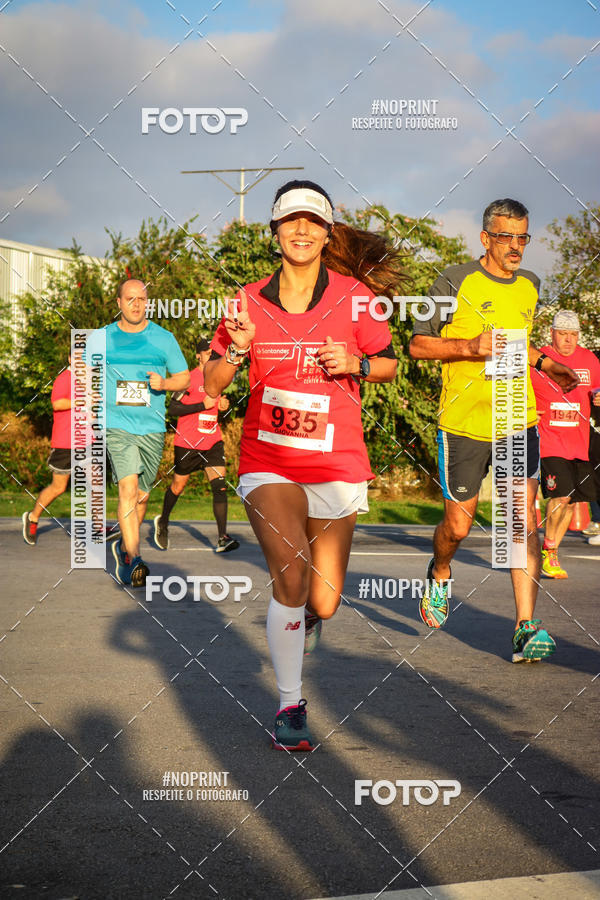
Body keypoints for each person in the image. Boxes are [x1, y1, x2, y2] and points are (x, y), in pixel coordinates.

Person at [204, 180, 400, 750]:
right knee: (290, 573)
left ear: (327, 232)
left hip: (337, 460)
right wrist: (236, 350)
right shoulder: (246, 301)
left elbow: (388, 364)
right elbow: (213, 383)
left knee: (324, 599)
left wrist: (356, 363)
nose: (301, 230)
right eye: (291, 220)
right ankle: (290, 703)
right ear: (274, 231)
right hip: (269, 459)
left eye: (313, 222)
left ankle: (308, 619)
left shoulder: (356, 297)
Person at [409, 198, 579, 663]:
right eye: (506, 236)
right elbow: (417, 345)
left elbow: (516, 345)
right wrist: (469, 345)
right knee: (459, 525)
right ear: (485, 237)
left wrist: (549, 365)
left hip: (515, 419)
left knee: (519, 520)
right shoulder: (453, 278)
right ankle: (440, 572)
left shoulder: (530, 286)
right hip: (464, 425)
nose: (516, 246)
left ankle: (526, 626)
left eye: (523, 237)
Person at [106, 278, 189, 586]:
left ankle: (124, 549)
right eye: (130, 299)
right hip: (117, 425)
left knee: (141, 496)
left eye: (141, 299)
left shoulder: (163, 339)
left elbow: (184, 378)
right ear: (119, 303)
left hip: (152, 427)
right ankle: (135, 557)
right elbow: (82, 370)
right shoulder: (103, 337)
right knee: (127, 490)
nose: (136, 304)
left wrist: (164, 384)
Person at [153, 338, 239, 553]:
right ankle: (163, 522)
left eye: (214, 353)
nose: (212, 356)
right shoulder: (188, 379)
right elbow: (173, 409)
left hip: (212, 441)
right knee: (178, 486)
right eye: (208, 353)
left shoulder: (218, 378)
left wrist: (223, 406)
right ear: (198, 355)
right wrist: (202, 405)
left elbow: (217, 409)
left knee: (219, 486)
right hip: (188, 443)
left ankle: (222, 538)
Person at [531, 310, 600, 577]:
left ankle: (551, 553)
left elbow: (597, 389)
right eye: (563, 334)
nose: (569, 340)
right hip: (549, 440)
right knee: (560, 496)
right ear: (552, 333)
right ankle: (548, 549)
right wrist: (527, 409)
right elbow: (518, 388)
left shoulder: (590, 360)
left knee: (571, 500)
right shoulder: (539, 359)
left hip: (579, 443)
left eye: (573, 335)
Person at [23, 358, 73, 544]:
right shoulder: (64, 378)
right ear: (70, 358)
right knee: (59, 487)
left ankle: (97, 529)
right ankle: (33, 517)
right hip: (65, 442)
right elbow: (57, 404)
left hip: (88, 441)